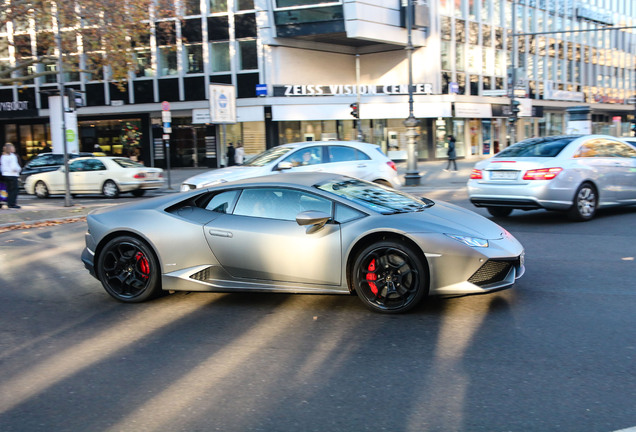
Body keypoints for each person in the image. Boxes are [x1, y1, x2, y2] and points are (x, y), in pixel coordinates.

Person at [1, 143, 22, 209]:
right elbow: (14, 167)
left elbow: (2, 166)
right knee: (14, 190)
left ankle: (9, 203)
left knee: (9, 190)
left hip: (5, 174)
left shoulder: (3, 156)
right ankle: (12, 203)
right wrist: (19, 169)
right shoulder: (13, 156)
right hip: (12, 174)